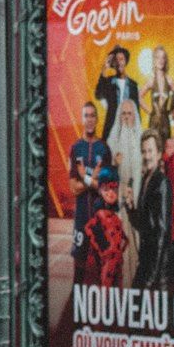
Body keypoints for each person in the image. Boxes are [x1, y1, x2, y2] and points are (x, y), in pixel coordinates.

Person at [68, 101, 112, 284]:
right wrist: (94, 179)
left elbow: (106, 190)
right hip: (81, 216)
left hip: (100, 216)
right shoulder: (75, 148)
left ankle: (103, 305)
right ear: (82, 119)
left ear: (97, 118)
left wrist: (84, 178)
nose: (89, 120)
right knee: (79, 263)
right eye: (86, 115)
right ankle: (76, 301)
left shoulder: (104, 149)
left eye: (93, 115)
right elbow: (73, 188)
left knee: (103, 263)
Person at [129, 130, 174, 290]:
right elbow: (143, 225)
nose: (147, 156)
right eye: (144, 151)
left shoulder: (161, 182)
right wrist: (130, 209)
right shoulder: (145, 179)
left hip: (157, 270)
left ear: (159, 154)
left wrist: (151, 276)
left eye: (150, 151)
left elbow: (163, 231)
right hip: (146, 262)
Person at [109, 97, 143, 286]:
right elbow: (106, 176)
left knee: (137, 247)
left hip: (137, 202)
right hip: (119, 205)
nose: (127, 117)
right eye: (124, 113)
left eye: (130, 113)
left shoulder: (141, 138)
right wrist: (115, 164)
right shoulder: (112, 142)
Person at [84, 168, 126, 288]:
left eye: (114, 189)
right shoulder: (100, 215)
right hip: (104, 269)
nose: (110, 193)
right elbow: (93, 232)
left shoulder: (112, 213)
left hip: (115, 268)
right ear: (99, 190)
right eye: (106, 189)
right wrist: (107, 251)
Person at [94, 45, 140, 141]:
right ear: (113, 64)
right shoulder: (109, 82)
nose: (119, 62)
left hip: (128, 132)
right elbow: (98, 95)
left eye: (121, 59)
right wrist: (104, 68)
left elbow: (137, 112)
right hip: (111, 131)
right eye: (116, 60)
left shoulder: (133, 85)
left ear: (125, 61)